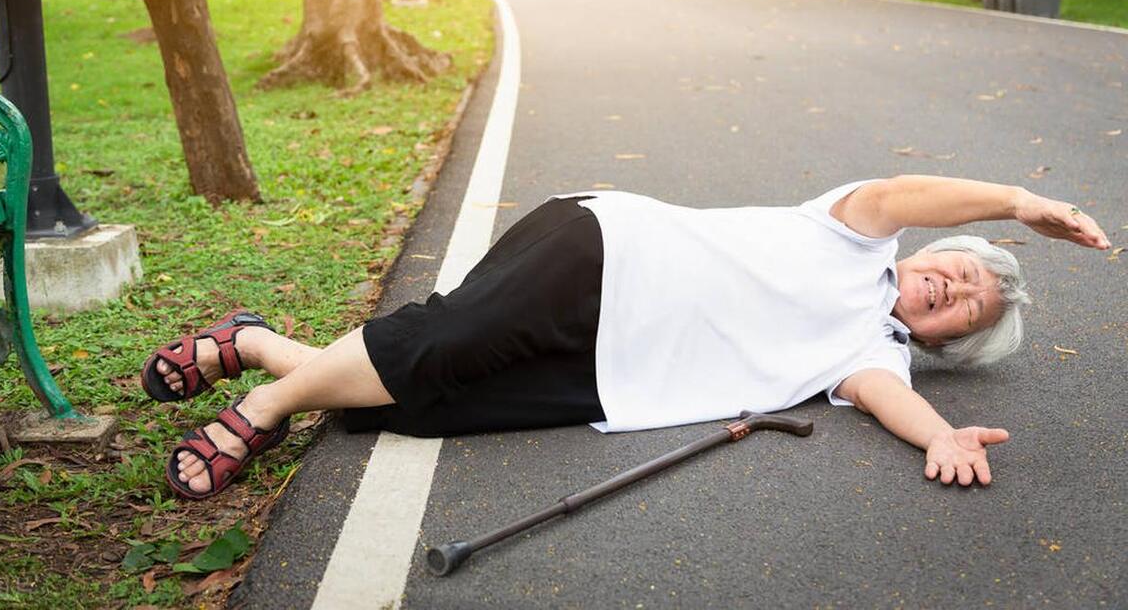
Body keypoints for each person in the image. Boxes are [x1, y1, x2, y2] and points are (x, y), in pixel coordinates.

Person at [140, 175, 1111, 499]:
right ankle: (263, 404)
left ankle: (256, 343)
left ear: (945, 339)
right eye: (966, 269)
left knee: (421, 403)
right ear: (942, 247)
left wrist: (941, 434)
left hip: (608, 376)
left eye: (969, 309)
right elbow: (905, 191)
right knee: (440, 342)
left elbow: (887, 398)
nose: (956, 289)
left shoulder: (875, 354)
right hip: (608, 253)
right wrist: (1018, 203)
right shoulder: (858, 229)